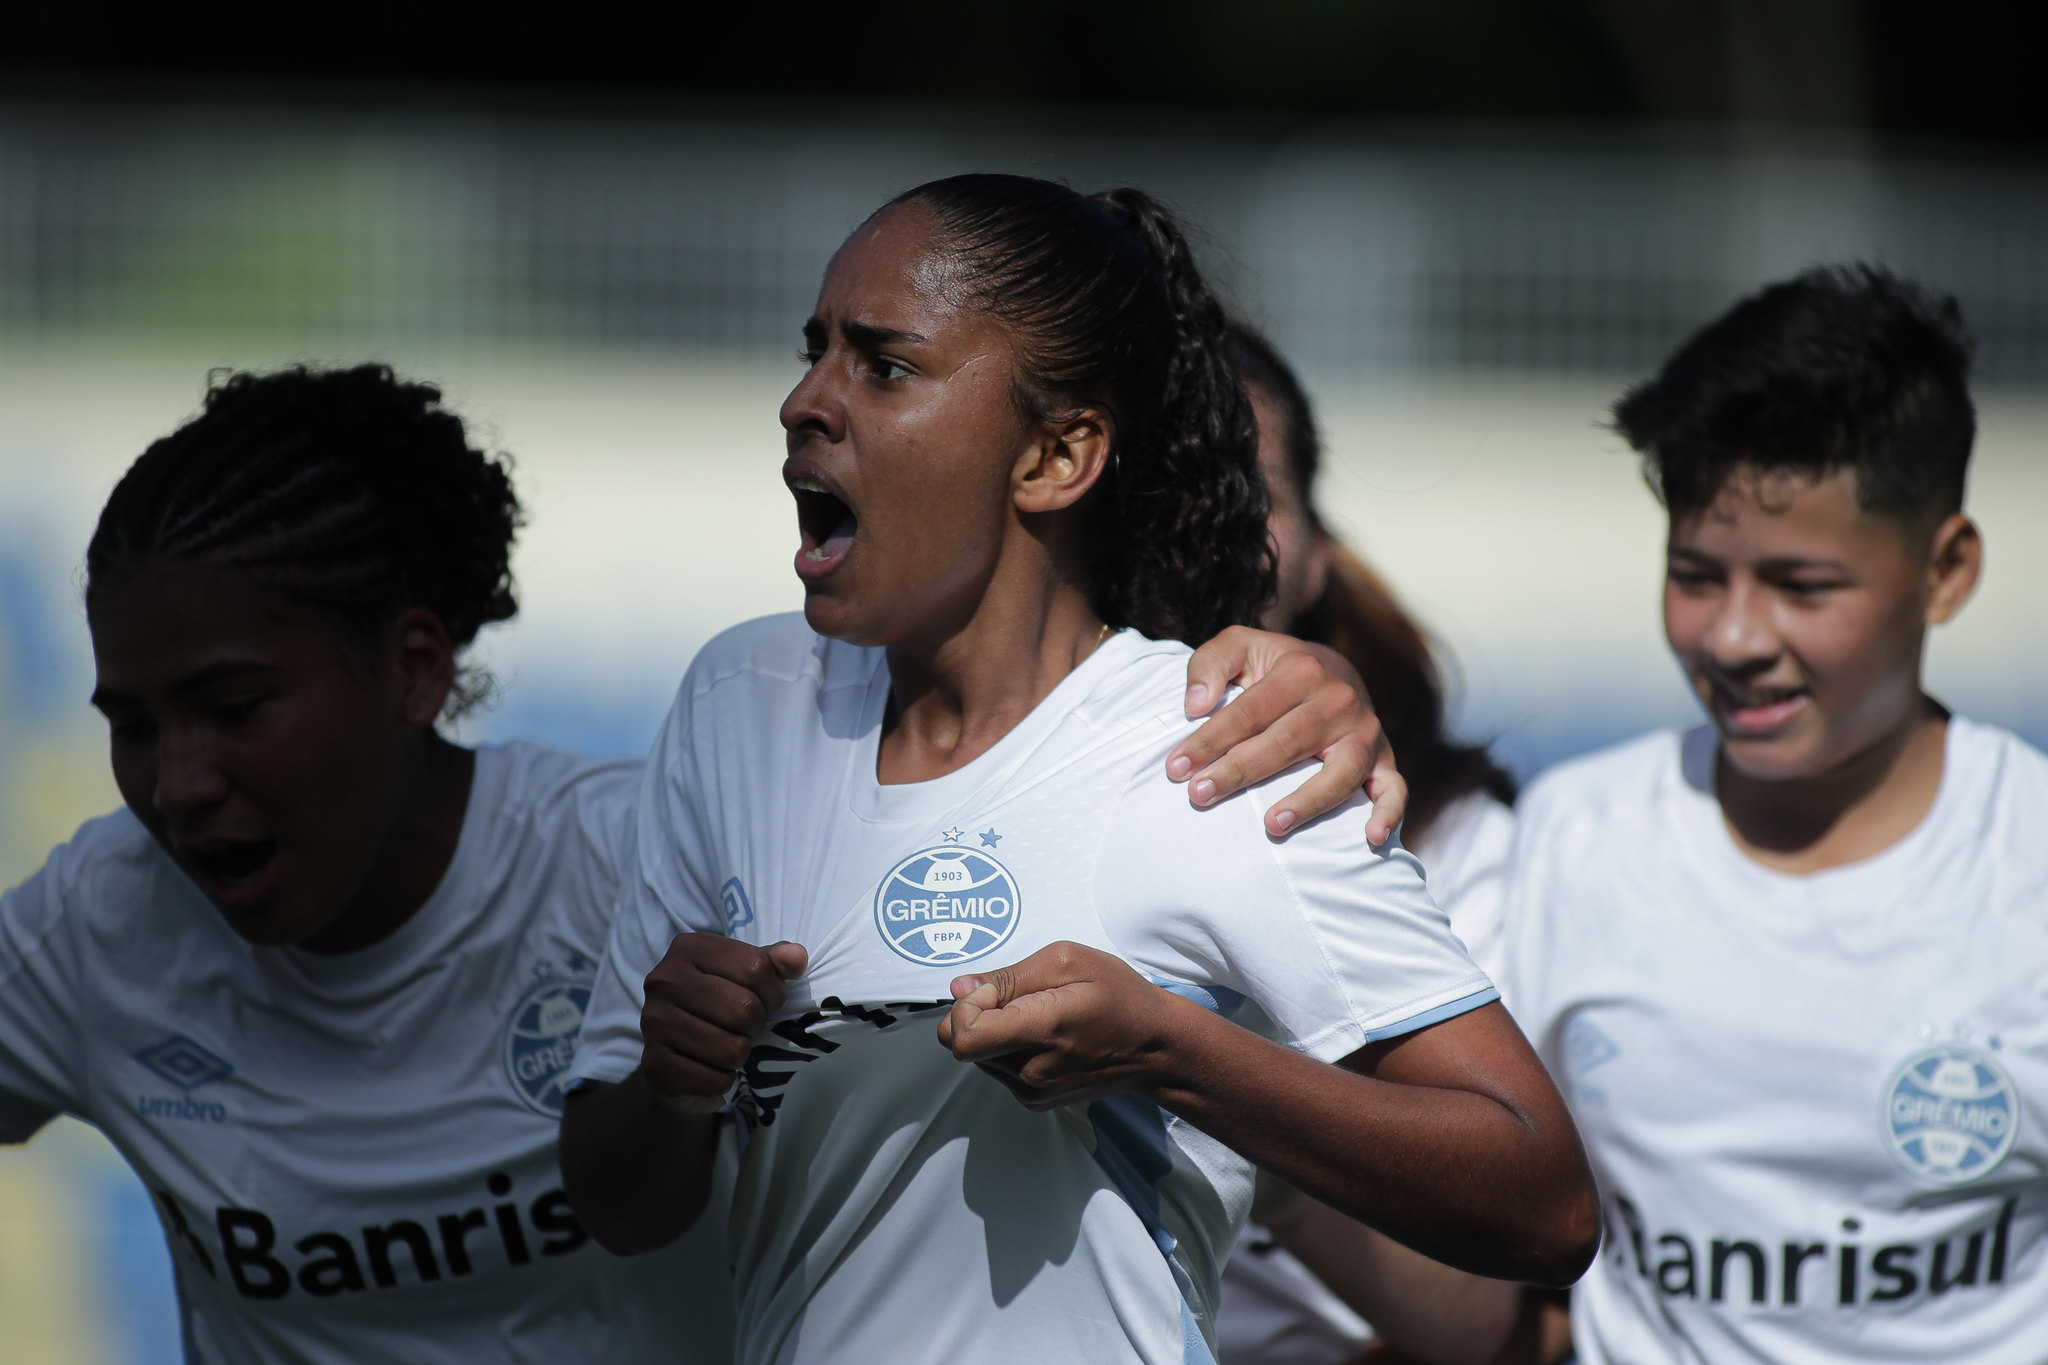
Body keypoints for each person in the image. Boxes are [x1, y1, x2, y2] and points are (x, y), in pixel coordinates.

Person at [0, 365, 1403, 1362]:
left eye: (235, 710)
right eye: (132, 725)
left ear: (416, 666)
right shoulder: (96, 930)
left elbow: (1300, 1180)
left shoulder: (655, 852)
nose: (179, 785)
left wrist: (1287, 694)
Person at [559, 173, 1599, 1365]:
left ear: (1056, 455)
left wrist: (1175, 1049)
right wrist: (671, 1082)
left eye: (882, 366)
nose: (804, 402)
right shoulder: (734, 707)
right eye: (814, 353)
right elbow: (618, 1204)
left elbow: (1544, 1202)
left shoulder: (1221, 745)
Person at [1497, 264, 2045, 1363]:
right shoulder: (1572, 836)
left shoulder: (2026, 862)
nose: (1734, 637)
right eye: (1694, 574)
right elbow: (1499, 1278)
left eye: (1801, 586)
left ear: (1944, 571)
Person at [1215, 323, 1533, 1365]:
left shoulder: (1457, 849)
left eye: (1244, 490)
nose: (1201, 528)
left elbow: (1514, 1313)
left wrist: (1230, 1098)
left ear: (1315, 554)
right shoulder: (931, 773)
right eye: (1157, 485)